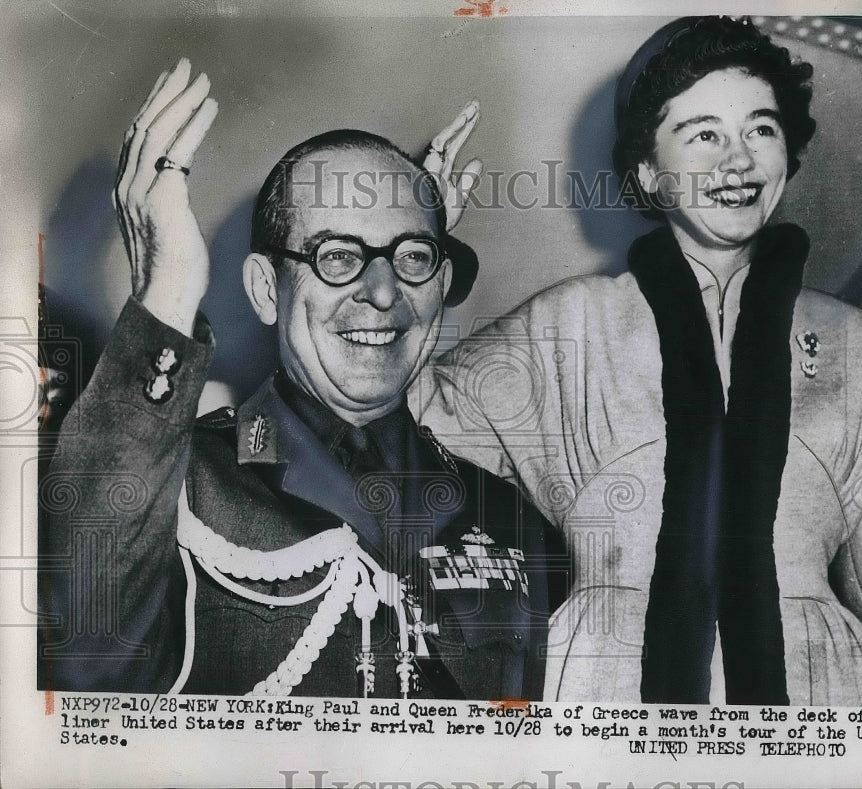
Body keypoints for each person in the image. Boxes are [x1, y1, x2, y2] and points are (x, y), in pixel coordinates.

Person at [416, 16, 862, 706]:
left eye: (760, 129)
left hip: (824, 694)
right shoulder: (566, 323)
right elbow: (401, 425)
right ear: (647, 168)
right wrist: (413, 246)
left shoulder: (860, 345)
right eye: (703, 134)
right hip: (604, 689)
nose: (737, 159)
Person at [39, 59, 564, 699]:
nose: (381, 290)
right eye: (337, 257)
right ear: (266, 290)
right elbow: (86, 659)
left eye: (413, 258)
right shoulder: (178, 485)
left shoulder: (511, 520)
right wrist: (165, 293)